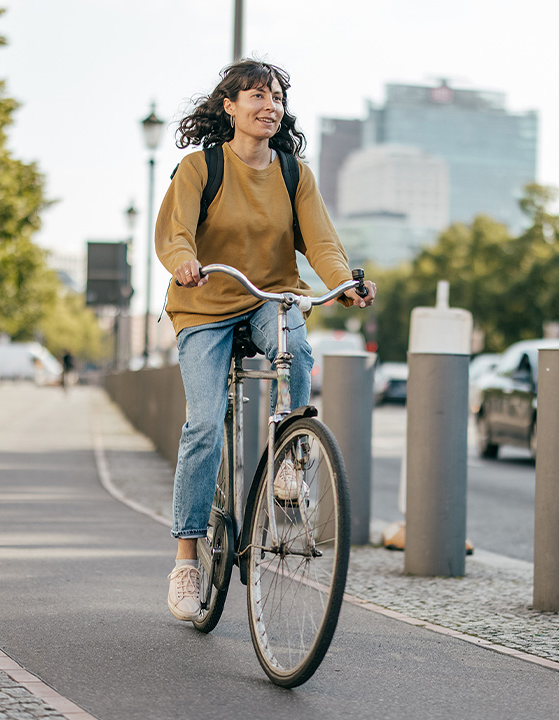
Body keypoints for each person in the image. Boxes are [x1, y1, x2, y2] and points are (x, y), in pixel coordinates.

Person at [154, 59, 376, 622]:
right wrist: (184, 263)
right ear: (229, 107)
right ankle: (186, 558)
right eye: (255, 95)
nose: (267, 104)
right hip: (204, 302)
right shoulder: (200, 167)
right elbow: (175, 232)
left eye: (275, 96)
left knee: (297, 346)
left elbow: (321, 242)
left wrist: (344, 284)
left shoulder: (294, 172)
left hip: (265, 295)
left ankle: (291, 459)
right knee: (205, 422)